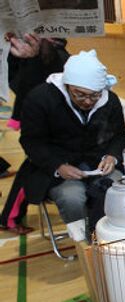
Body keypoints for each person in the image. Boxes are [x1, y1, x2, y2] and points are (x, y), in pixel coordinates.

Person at [19, 50, 125, 237]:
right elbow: (31, 141)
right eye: (79, 95)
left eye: (94, 96)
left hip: (98, 164)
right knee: (72, 198)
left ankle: (112, 235)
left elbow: (120, 135)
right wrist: (58, 166)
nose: (87, 101)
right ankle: (83, 240)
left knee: (118, 191)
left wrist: (112, 155)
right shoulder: (41, 99)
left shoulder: (110, 100)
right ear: (67, 85)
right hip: (60, 167)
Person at [0, 33, 70, 235]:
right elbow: (24, 86)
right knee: (34, 166)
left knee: (36, 164)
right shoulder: (35, 53)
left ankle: (10, 217)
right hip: (40, 121)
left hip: (47, 120)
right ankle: (10, 218)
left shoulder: (56, 53)